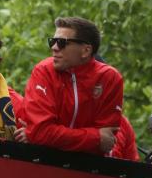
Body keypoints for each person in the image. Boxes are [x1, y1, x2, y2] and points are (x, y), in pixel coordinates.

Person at [22, 17, 123, 154]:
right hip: (43, 164)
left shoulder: (110, 78)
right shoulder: (44, 71)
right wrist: (95, 137)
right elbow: (41, 133)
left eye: (61, 43)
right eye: (52, 41)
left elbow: (105, 143)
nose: (54, 47)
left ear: (86, 51)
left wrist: (49, 136)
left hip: (88, 170)